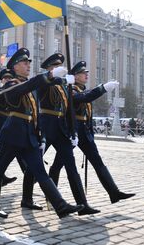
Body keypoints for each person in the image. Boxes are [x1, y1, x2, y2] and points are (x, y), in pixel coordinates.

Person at [0, 48, 83, 218]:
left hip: (29, 136)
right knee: (0, 170)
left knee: (40, 172)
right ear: (15, 67)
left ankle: (60, 206)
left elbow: (36, 111)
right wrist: (50, 75)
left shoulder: (30, 86)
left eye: (29, 63)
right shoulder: (11, 84)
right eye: (24, 63)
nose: (28, 65)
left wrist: (41, 136)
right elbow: (26, 87)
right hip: (13, 134)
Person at [48, 61, 135, 204]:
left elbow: (87, 113)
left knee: (98, 162)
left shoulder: (82, 90)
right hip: (73, 131)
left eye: (86, 73)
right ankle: (52, 196)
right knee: (59, 163)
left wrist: (91, 134)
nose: (86, 75)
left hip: (85, 132)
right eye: (83, 73)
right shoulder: (71, 90)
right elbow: (85, 97)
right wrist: (103, 88)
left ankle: (114, 192)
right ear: (75, 76)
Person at [38, 53, 99, 215]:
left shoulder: (64, 86)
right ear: (49, 69)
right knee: (34, 166)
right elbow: (44, 85)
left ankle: (82, 204)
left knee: (71, 167)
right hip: (45, 126)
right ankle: (27, 198)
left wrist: (72, 132)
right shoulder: (43, 81)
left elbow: (69, 110)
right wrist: (60, 79)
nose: (60, 68)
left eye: (60, 66)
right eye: (56, 66)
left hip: (60, 128)